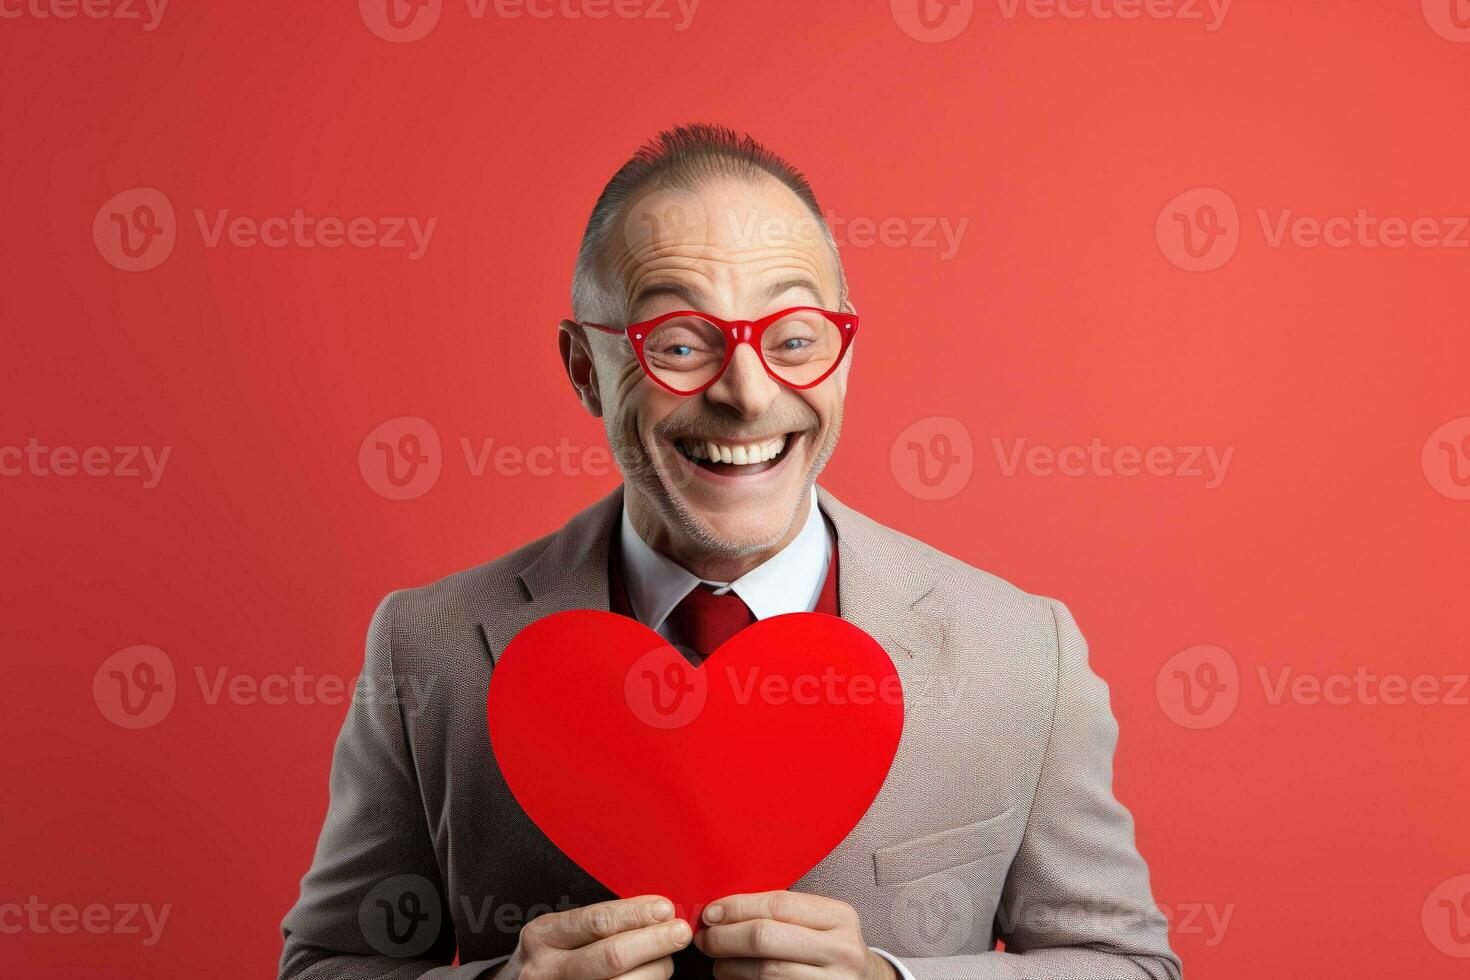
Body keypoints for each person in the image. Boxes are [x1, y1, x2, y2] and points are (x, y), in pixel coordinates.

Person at [280, 123, 1181, 980]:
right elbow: (326, 963)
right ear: (584, 371)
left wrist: (890, 975)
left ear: (843, 351)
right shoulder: (427, 646)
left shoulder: (1023, 651)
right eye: (678, 344)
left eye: (794, 340)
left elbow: (1127, 963)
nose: (748, 395)